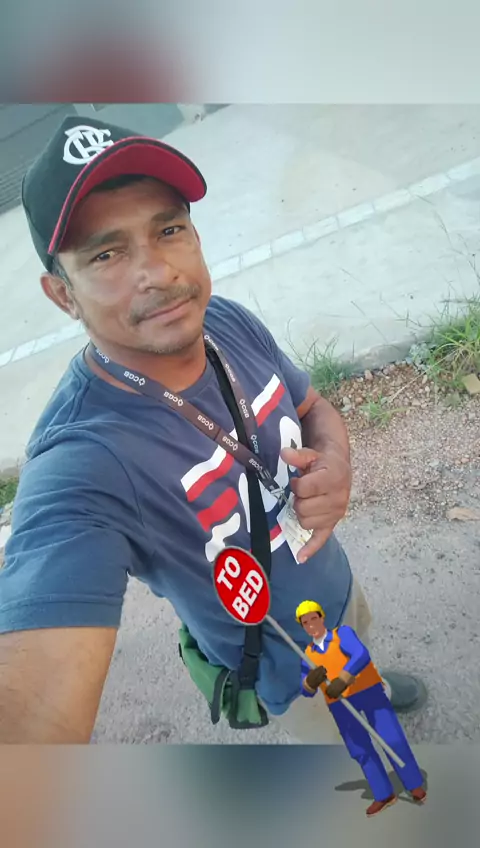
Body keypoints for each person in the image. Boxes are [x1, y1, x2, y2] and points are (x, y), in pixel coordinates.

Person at [0, 116, 426, 743]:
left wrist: (335, 459)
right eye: (107, 254)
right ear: (63, 295)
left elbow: (312, 406)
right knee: (360, 759)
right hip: (289, 667)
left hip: (337, 590)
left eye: (168, 230)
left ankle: (373, 688)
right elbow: (33, 709)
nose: (157, 271)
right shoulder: (85, 459)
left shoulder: (226, 322)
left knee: (362, 657)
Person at [297, 601, 427, 817]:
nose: (311, 625)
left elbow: (360, 654)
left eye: (314, 618)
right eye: (305, 622)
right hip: (339, 703)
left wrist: (343, 678)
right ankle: (383, 794)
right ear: (302, 627)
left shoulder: (341, 634)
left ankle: (413, 784)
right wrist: (310, 682)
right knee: (360, 749)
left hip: (367, 691)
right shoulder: (307, 655)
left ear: (322, 618)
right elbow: (306, 691)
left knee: (391, 737)